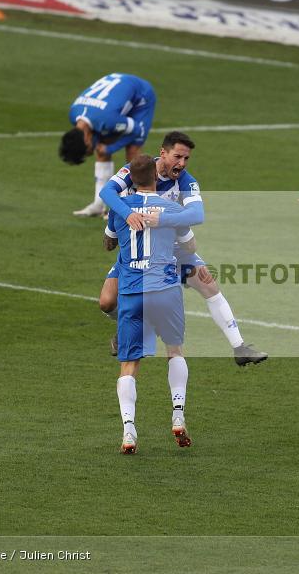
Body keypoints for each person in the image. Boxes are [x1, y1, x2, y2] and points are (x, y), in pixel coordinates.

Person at [100, 131, 267, 366]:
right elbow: (106, 192)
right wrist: (128, 215)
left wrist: (163, 219)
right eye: (177, 156)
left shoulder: (186, 181)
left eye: (186, 158)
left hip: (173, 247)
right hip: (137, 250)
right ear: (163, 153)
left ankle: (240, 347)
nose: (182, 163)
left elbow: (197, 214)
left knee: (208, 284)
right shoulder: (137, 170)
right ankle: (131, 326)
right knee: (107, 302)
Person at [108, 154, 204, 454]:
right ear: (155, 175)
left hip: (132, 292)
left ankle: (129, 431)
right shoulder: (170, 208)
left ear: (130, 179)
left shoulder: (119, 210)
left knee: (129, 363)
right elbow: (190, 245)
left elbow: (108, 242)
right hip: (165, 289)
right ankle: (178, 415)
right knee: (174, 349)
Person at [60, 73, 156, 217]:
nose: (90, 153)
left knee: (133, 150)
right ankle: (99, 205)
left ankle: (133, 203)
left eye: (88, 151)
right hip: (109, 104)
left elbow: (137, 130)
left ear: (86, 139)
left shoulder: (107, 120)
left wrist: (110, 148)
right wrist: (103, 148)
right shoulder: (74, 115)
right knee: (100, 147)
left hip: (141, 96)